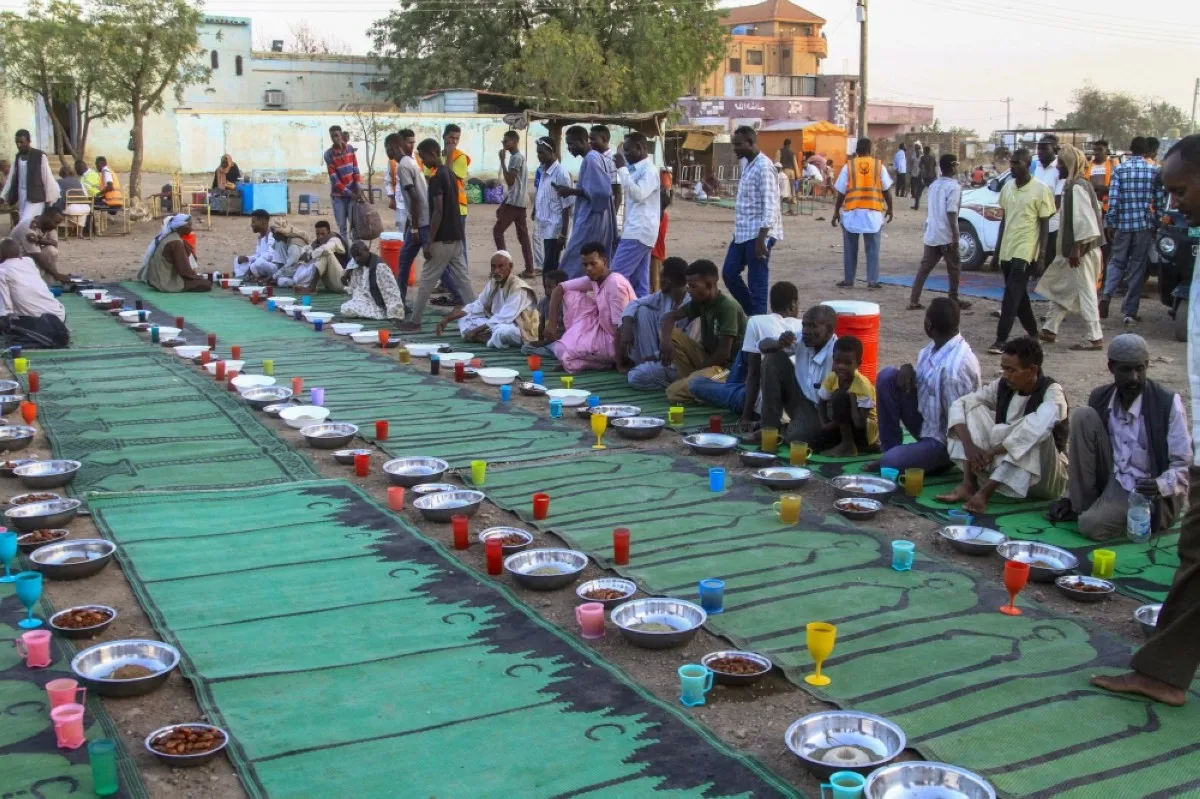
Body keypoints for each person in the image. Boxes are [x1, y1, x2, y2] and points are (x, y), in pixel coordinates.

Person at [1091, 134, 1200, 707]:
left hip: (1174, 473)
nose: (1174, 204)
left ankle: (1161, 673)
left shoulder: (1163, 404)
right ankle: (1162, 673)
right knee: (1194, 561)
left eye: (1181, 191)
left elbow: (1174, 462)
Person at [1046, 334, 1189, 540]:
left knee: (1090, 526)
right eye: (1126, 369)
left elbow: (1184, 465)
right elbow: (1088, 455)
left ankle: (1098, 514)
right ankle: (1081, 504)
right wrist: (1070, 497)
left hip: (1145, 491)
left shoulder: (1167, 403)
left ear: (1147, 366)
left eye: (1139, 369)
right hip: (1113, 476)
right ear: (1111, 367)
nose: (1134, 378)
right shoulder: (1101, 397)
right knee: (1083, 415)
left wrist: (1160, 485)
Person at [937, 336, 1068, 514]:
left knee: (1034, 432)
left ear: (1032, 370)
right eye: (1004, 369)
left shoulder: (1053, 393)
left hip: (1045, 477)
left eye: (1012, 370)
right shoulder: (1003, 386)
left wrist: (992, 452)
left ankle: (985, 492)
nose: (1006, 375)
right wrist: (969, 446)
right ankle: (969, 483)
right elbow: (961, 404)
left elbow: (1034, 430)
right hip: (1002, 464)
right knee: (971, 407)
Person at [865, 298, 981, 475]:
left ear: (929, 324)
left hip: (947, 441)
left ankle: (938, 461)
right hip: (930, 424)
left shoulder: (953, 370)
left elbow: (959, 422)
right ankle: (892, 451)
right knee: (888, 376)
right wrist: (908, 368)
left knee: (890, 462)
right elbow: (924, 384)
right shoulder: (935, 347)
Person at [689, 280, 801, 420]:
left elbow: (754, 375)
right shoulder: (804, 327)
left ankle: (730, 386)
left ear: (771, 306)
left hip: (757, 402)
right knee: (746, 349)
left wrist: (745, 416)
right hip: (794, 406)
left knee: (695, 384)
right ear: (793, 305)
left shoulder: (756, 321)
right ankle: (730, 385)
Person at [400, 138, 476, 331]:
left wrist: (429, 241)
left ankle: (415, 321)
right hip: (456, 235)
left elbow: (438, 211)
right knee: (463, 280)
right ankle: (478, 316)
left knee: (426, 280)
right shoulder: (450, 174)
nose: (422, 161)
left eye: (423, 156)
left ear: (433, 154)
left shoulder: (436, 179)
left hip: (442, 238)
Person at [1036, 145, 1106, 350]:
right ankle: (1050, 329)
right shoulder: (1075, 185)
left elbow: (1085, 221)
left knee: (1086, 293)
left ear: (1069, 164)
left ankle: (1095, 337)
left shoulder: (1077, 187)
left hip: (1081, 251)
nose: (1057, 166)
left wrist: (1077, 249)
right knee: (1061, 288)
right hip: (1074, 251)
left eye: (1060, 162)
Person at [648, 260, 747, 403]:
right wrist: (665, 340)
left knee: (673, 392)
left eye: (693, 286)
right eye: (688, 285)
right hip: (708, 360)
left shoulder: (727, 307)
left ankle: (707, 387)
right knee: (672, 334)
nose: (688, 290)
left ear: (708, 284)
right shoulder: (701, 302)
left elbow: (723, 354)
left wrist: (695, 373)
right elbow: (670, 318)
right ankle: (697, 384)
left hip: (727, 370)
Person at [988, 149, 1056, 354]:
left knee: (1010, 295)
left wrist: (1042, 256)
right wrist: (997, 251)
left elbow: (1044, 225)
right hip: (1008, 248)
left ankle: (1001, 340)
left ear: (1028, 164)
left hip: (1026, 250)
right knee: (1019, 295)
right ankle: (1034, 334)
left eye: (1017, 163)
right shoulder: (1007, 188)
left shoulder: (1041, 190)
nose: (1013, 166)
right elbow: (1004, 221)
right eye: (1012, 162)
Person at [751, 304, 838, 445]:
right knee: (772, 358)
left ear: (829, 330)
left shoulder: (837, 354)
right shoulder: (801, 340)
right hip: (801, 401)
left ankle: (784, 431)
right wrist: (779, 343)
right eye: (804, 325)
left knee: (799, 438)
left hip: (823, 411)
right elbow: (762, 345)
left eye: (812, 326)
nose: (806, 331)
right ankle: (769, 427)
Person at [542, 242, 635, 373]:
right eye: (585, 265)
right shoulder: (594, 279)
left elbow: (619, 328)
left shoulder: (615, 284)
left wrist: (620, 364)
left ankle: (609, 361)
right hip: (603, 332)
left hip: (620, 340)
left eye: (593, 264)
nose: (589, 269)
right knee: (570, 294)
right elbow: (559, 288)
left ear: (604, 261)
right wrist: (551, 324)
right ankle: (599, 361)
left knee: (564, 351)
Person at [1100, 136, 1161, 325]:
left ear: (1130, 149)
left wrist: (1110, 222)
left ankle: (1106, 295)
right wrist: (1157, 222)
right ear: (1146, 152)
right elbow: (1158, 201)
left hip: (1122, 226)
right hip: (1143, 225)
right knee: (1137, 266)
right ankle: (1129, 312)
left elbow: (1114, 199)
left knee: (1116, 262)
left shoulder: (1120, 169)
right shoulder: (1153, 171)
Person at [722, 126, 781, 316]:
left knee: (757, 284)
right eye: (734, 144)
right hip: (742, 233)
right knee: (729, 273)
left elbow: (771, 204)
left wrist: (762, 239)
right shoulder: (749, 165)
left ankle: (758, 320)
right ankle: (753, 315)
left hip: (758, 233)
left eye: (738, 145)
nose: (735, 149)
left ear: (750, 142)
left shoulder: (764, 167)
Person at [435, 250, 539, 348]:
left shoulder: (518, 288)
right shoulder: (494, 282)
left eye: (500, 266)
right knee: (464, 319)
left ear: (510, 267)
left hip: (518, 328)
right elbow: (478, 306)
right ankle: (485, 337)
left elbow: (503, 317)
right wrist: (447, 319)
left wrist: (475, 331)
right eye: (493, 267)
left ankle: (482, 338)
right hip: (493, 322)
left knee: (502, 332)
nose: (496, 270)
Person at [618, 257, 689, 389]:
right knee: (642, 311)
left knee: (635, 377)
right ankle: (648, 364)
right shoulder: (664, 296)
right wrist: (627, 326)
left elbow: (686, 347)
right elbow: (635, 303)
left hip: (679, 361)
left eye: (661, 275)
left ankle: (674, 381)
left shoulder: (691, 304)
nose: (659, 279)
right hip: (659, 356)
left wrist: (654, 357)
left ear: (668, 282)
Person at [833, 137, 894, 289]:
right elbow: (886, 190)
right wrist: (891, 208)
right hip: (872, 214)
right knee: (872, 250)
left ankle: (848, 281)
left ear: (856, 151)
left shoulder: (849, 166)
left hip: (852, 214)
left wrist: (836, 211)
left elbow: (841, 192)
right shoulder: (879, 166)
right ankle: (872, 281)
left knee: (850, 251)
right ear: (870, 150)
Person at [909, 153, 968, 309]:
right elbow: (951, 211)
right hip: (947, 234)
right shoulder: (954, 186)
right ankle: (953, 298)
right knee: (954, 268)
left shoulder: (934, 185)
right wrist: (955, 234)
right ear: (953, 166)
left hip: (932, 232)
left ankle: (914, 299)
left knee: (924, 268)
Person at [558, 126, 616, 279]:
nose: (569, 148)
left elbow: (601, 192)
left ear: (582, 141)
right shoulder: (594, 158)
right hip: (593, 218)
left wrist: (571, 191)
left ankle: (565, 292)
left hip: (591, 220)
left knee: (574, 257)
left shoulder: (591, 159)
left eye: (571, 144)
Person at [611, 132, 661, 297]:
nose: (625, 155)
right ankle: (640, 317)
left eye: (628, 150)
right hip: (636, 231)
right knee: (639, 283)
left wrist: (622, 169)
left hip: (639, 231)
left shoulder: (650, 171)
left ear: (640, 148)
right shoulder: (636, 170)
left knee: (615, 277)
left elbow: (638, 194)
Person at [816, 336, 879, 457]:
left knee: (839, 396)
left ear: (858, 364)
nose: (841, 366)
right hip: (845, 425)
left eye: (847, 363)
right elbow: (821, 403)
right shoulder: (832, 377)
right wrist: (824, 425)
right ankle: (853, 445)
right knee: (816, 443)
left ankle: (850, 445)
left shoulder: (863, 386)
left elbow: (859, 423)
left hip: (863, 430)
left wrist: (852, 399)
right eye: (837, 361)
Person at [0, 238, 68, 343]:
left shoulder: (2, 271)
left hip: (42, 323)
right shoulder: (28, 261)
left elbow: (6, 309)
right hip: (60, 315)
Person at [493, 130, 535, 277]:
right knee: (523, 236)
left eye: (506, 141)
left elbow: (510, 181)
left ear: (514, 142)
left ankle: (503, 267)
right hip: (519, 201)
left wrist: (502, 162)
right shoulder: (519, 157)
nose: (504, 144)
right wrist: (503, 203)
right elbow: (514, 186)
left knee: (497, 231)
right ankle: (529, 268)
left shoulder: (515, 158)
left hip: (515, 202)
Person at [136, 214, 212, 293]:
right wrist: (198, 277)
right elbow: (184, 271)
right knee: (206, 284)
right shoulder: (176, 243)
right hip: (165, 282)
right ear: (180, 226)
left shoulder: (170, 237)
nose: (191, 228)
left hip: (157, 278)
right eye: (189, 225)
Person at [395, 129, 429, 302]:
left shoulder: (405, 165)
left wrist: (414, 228)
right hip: (419, 220)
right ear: (400, 143)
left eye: (413, 142)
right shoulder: (411, 162)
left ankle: (399, 299)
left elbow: (415, 198)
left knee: (434, 263)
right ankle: (399, 298)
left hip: (422, 222)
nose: (411, 146)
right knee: (406, 259)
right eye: (409, 142)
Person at [532, 137, 572, 274]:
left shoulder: (561, 173)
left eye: (542, 153)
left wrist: (563, 233)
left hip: (555, 228)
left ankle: (552, 295)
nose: (539, 156)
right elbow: (542, 193)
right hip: (545, 225)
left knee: (550, 268)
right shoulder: (543, 170)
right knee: (550, 267)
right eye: (537, 153)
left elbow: (567, 206)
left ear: (551, 151)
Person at [1, 130, 59, 222]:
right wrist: (3, 196)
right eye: (17, 142)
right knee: (29, 224)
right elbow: (10, 179)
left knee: (25, 221)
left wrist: (49, 199)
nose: (19, 145)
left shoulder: (40, 156)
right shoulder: (18, 157)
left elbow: (47, 178)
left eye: (21, 142)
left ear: (28, 141)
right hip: (22, 195)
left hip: (36, 198)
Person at [339, 240, 405, 322]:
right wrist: (347, 272)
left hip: (380, 306)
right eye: (355, 257)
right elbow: (352, 265)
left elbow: (391, 292)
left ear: (367, 250)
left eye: (359, 255)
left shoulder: (380, 267)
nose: (357, 259)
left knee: (346, 309)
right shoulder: (358, 265)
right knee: (345, 307)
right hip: (366, 300)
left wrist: (395, 315)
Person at [323, 124, 363, 240]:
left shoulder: (350, 149)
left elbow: (355, 169)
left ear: (341, 135)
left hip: (353, 195)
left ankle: (357, 256)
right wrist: (350, 193)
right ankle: (347, 255)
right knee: (343, 228)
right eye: (332, 136)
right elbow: (334, 179)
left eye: (336, 135)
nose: (334, 138)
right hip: (339, 196)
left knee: (355, 227)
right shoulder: (329, 155)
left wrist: (358, 186)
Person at [11, 210, 69, 284]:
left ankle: (49, 282)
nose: (55, 226)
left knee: (51, 250)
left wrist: (39, 240)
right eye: (56, 222)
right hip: (19, 258)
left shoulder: (48, 225)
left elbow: (54, 243)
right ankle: (41, 282)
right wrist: (56, 274)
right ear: (46, 217)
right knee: (49, 252)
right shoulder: (29, 227)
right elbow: (36, 255)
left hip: (30, 255)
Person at [1032, 134, 1064, 260]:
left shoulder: (1060, 168)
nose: (1040, 152)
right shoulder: (1036, 167)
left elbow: (1058, 202)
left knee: (1049, 262)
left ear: (1054, 150)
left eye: (1045, 148)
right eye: (1039, 148)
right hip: (1035, 224)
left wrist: (1042, 219)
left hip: (1052, 226)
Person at [590, 125, 622, 221]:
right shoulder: (595, 159)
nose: (590, 142)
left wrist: (611, 219)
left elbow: (617, 194)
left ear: (603, 139)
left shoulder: (612, 161)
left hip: (605, 215)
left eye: (593, 139)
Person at [232, 209, 274, 279]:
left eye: (254, 222)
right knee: (237, 260)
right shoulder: (260, 238)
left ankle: (249, 276)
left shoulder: (271, 235)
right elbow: (258, 255)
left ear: (263, 222)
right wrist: (247, 258)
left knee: (258, 263)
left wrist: (254, 261)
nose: (251, 225)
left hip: (270, 266)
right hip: (258, 264)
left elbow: (271, 255)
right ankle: (239, 278)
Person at [533, 269, 567, 344]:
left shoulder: (567, 304)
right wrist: (540, 341)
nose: (547, 291)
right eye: (545, 287)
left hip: (565, 341)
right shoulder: (544, 302)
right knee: (527, 347)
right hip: (549, 341)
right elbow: (540, 326)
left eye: (550, 287)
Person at [383, 133, 407, 234]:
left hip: (412, 205)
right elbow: (388, 181)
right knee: (401, 231)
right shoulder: (392, 162)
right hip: (400, 203)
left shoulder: (413, 161)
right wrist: (392, 198)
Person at [912, 145, 937, 210]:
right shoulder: (933, 158)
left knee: (918, 192)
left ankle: (916, 206)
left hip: (924, 177)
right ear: (929, 151)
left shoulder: (923, 158)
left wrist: (921, 176)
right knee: (932, 193)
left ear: (925, 151)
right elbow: (935, 165)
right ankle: (931, 207)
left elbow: (921, 166)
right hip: (932, 177)